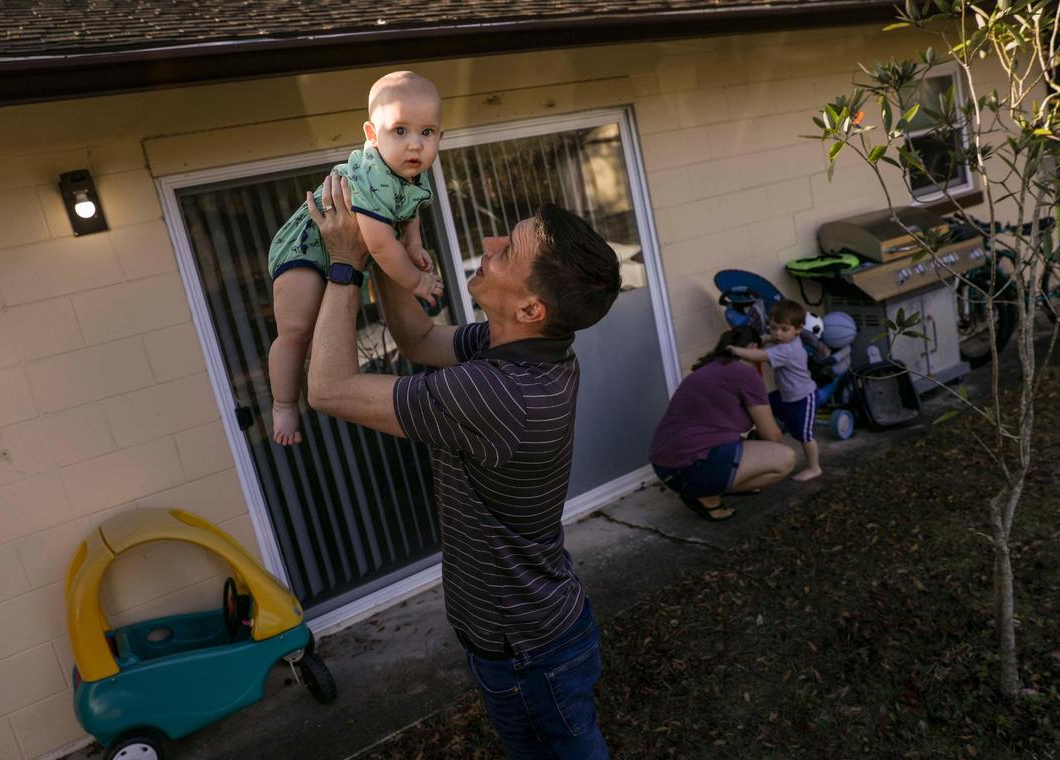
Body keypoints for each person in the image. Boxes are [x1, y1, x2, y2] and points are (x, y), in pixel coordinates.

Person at [305, 171, 621, 759]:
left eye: (510, 249)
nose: (491, 244)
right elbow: (420, 338)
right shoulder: (531, 349)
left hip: (529, 650)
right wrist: (388, 246)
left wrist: (344, 265)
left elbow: (327, 389)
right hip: (536, 633)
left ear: (531, 306)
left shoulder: (499, 396)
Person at [266, 71, 445, 445]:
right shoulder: (373, 176)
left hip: (337, 252)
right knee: (295, 331)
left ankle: (305, 378)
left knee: (321, 333)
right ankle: (283, 404)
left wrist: (412, 245)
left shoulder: (412, 174)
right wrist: (417, 281)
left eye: (427, 133)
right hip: (303, 248)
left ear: (440, 137)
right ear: (371, 135)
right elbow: (379, 246)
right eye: (400, 130)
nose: (415, 145)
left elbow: (412, 211)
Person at [649, 326, 797, 521]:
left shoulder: (707, 370)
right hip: (692, 467)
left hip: (665, 466)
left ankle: (712, 484)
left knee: (748, 446)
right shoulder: (746, 374)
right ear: (753, 348)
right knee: (785, 459)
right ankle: (707, 494)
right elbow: (772, 435)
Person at [728, 299, 821, 481]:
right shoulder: (787, 339)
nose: (777, 334)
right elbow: (769, 339)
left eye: (784, 329)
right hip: (786, 395)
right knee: (764, 406)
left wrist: (736, 350)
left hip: (803, 397)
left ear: (798, 329)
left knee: (804, 435)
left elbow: (761, 355)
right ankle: (767, 439)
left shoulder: (788, 349)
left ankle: (814, 467)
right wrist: (764, 337)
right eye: (773, 327)